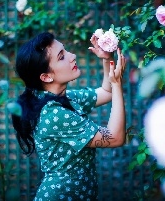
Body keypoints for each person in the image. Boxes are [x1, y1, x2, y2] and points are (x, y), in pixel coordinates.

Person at [11, 31, 126, 201]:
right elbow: (115, 138)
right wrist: (117, 84)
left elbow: (106, 92)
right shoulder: (53, 113)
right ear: (46, 76)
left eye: (65, 51)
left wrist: (107, 57)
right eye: (61, 57)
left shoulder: (63, 98)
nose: (72, 56)